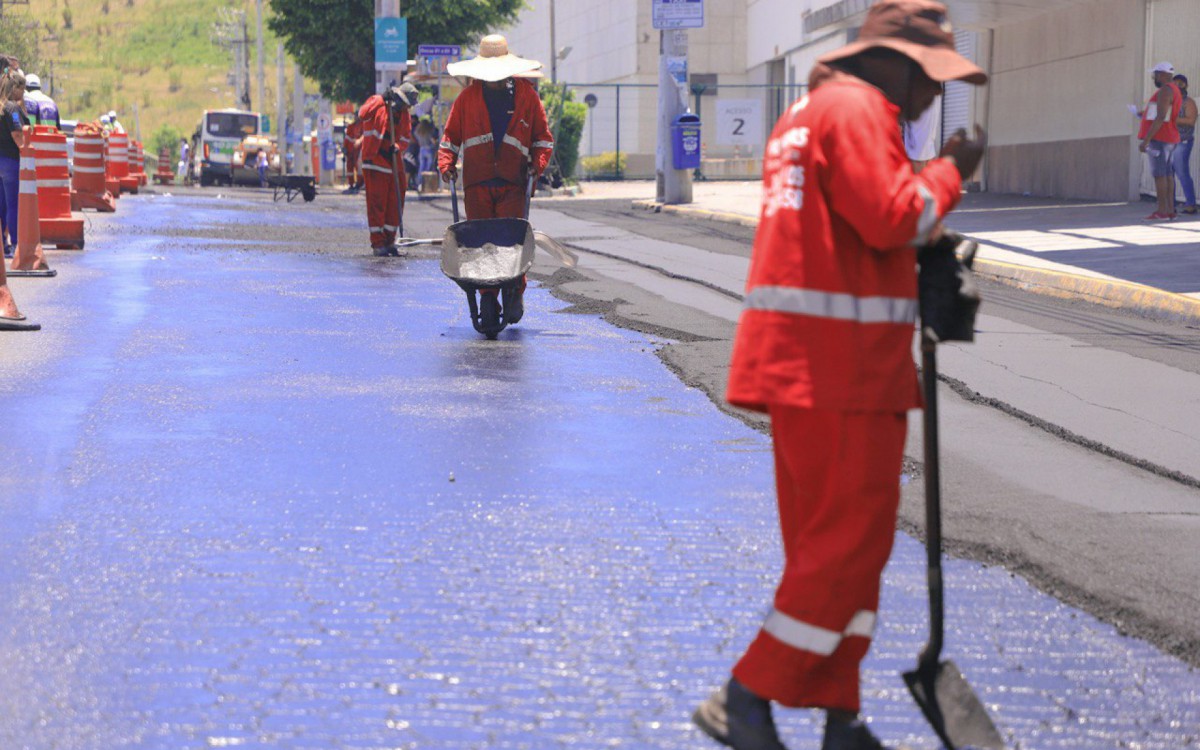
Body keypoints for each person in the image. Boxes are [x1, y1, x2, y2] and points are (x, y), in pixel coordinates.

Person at [690, 3, 987, 749]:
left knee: (834, 547)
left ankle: (838, 711)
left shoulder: (812, 112)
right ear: (899, 64)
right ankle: (746, 692)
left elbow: (856, 224)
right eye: (931, 82)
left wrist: (921, 245)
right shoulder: (857, 109)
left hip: (816, 366)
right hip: (840, 370)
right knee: (846, 545)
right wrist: (951, 172)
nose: (929, 101)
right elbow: (892, 215)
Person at [438, 35, 553, 322]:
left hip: (513, 184)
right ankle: (487, 295)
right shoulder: (466, 100)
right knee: (481, 244)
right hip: (477, 184)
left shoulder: (528, 97)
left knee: (510, 244)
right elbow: (450, 138)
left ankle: (514, 290)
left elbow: (543, 140)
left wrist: (535, 167)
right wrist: (446, 164)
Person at [357, 81, 416, 256]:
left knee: (396, 201)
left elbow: (405, 136)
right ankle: (378, 243)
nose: (407, 107)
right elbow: (363, 113)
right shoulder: (378, 102)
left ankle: (390, 240)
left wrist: (398, 147)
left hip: (393, 161)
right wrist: (381, 99)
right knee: (377, 204)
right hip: (375, 161)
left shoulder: (404, 114)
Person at [1139, 62, 1182, 220]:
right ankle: (1170, 210)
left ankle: (1162, 211)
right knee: (1168, 174)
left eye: (1156, 74)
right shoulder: (1174, 90)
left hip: (1161, 138)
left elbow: (1161, 116)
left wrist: (1146, 140)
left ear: (1163, 74)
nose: (1154, 77)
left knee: (1160, 175)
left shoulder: (1165, 90)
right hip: (1169, 137)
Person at [0, 72, 29, 259]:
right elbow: (18, 135)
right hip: (10, 161)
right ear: (15, 88)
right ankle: (17, 244)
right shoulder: (11, 109)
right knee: (13, 204)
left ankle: (3, 245)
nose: (24, 93)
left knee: (1, 205)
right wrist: (26, 151)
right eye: (22, 89)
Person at [1172, 74, 1197, 215]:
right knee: (1168, 175)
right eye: (1175, 84)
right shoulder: (1170, 102)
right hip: (1168, 143)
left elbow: (1190, 121)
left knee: (1182, 173)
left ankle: (1190, 204)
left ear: (1186, 86)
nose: (1177, 86)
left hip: (1182, 142)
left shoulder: (1188, 103)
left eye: (1180, 84)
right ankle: (1169, 205)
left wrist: (1172, 119)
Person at [343, 115, 363, 193]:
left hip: (358, 151)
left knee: (359, 168)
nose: (356, 118)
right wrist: (345, 148)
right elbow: (347, 138)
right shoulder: (351, 126)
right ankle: (351, 184)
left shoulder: (363, 125)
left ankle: (359, 183)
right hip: (350, 151)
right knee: (349, 168)